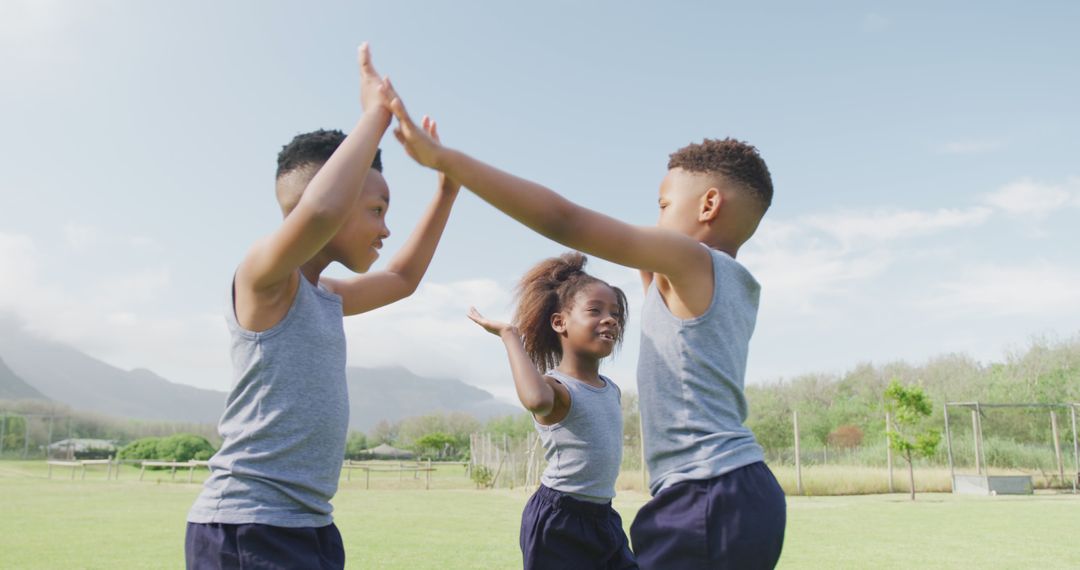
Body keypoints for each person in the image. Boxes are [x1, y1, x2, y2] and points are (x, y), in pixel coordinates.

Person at [388, 95, 786, 569]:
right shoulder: (731, 285)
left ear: (709, 205)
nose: (655, 221)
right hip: (739, 493)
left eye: (663, 205)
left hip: (705, 494)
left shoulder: (691, 261)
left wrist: (448, 161)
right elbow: (635, 264)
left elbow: (565, 221)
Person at [184, 44, 459, 569]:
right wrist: (376, 116)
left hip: (309, 525)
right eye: (377, 209)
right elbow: (320, 211)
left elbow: (402, 278)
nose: (385, 227)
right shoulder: (264, 279)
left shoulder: (326, 297)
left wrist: (446, 189)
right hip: (247, 526)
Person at [468, 252, 637, 570]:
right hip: (559, 520)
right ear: (560, 322)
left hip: (603, 517)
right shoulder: (557, 389)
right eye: (595, 311)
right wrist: (510, 336)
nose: (610, 319)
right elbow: (535, 400)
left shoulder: (610, 388)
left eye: (615, 313)